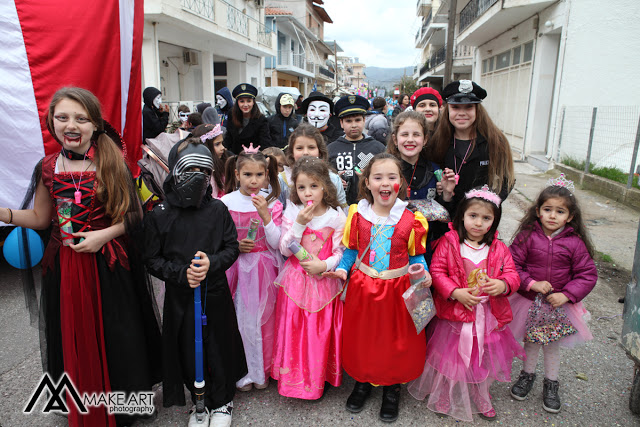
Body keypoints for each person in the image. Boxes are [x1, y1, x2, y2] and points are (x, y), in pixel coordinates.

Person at [0, 87, 161, 426]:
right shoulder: (46, 166)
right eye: (62, 117)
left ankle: (124, 404)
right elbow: (42, 219)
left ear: (94, 125)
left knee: (117, 333)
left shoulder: (110, 161)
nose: (70, 125)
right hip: (66, 268)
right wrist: (5, 213)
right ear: (51, 122)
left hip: (108, 266)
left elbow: (134, 216)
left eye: (80, 118)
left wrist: (102, 235)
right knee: (71, 334)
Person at [143, 138, 247, 427]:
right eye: (190, 170)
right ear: (175, 171)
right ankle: (198, 401)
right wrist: (181, 273)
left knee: (218, 345)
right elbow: (151, 259)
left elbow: (231, 247)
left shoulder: (217, 211)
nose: (197, 179)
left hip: (214, 292)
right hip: (180, 296)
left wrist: (211, 264)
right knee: (187, 348)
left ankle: (222, 400)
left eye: (204, 171)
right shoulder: (159, 216)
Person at [324, 153, 431, 423]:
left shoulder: (412, 219)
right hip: (363, 288)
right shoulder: (357, 214)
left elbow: (417, 257)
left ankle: (391, 388)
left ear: (401, 183)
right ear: (367, 183)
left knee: (395, 340)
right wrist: (342, 269)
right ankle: (363, 381)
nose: (385, 182)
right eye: (378, 177)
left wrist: (424, 275)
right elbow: (351, 251)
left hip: (398, 289)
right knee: (365, 337)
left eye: (392, 177)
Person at [408, 185, 524, 422]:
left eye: (486, 218)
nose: (478, 223)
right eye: (473, 216)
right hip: (457, 313)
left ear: (494, 221)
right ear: (462, 216)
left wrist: (503, 285)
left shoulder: (499, 248)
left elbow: (512, 274)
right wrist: (454, 292)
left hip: (488, 314)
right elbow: (438, 271)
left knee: (482, 358)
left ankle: (481, 393)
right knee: (451, 358)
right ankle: (445, 393)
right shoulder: (450, 242)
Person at [508, 175, 597, 414]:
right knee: (531, 342)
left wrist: (567, 295)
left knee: (551, 345)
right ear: (538, 211)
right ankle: (527, 375)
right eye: (548, 209)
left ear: (570, 217)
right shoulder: (526, 236)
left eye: (560, 212)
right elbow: (512, 265)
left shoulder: (575, 243)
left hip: (558, 305)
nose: (552, 216)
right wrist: (531, 283)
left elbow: (587, 275)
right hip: (529, 301)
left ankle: (551, 383)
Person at [272, 156, 346, 400]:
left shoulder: (337, 217)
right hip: (295, 281)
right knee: (294, 328)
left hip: (323, 281)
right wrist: (299, 225)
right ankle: (292, 378)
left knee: (317, 331)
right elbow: (284, 248)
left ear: (325, 186)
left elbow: (340, 252)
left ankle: (316, 379)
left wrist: (324, 264)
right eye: (301, 187)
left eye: (314, 186)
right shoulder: (292, 211)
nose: (307, 193)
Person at [221, 146, 282, 391]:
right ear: (236, 175)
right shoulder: (225, 203)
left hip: (265, 267)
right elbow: (218, 237)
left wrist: (266, 215)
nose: (253, 181)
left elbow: (276, 241)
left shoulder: (272, 203)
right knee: (239, 319)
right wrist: (235, 245)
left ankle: (262, 370)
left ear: (267, 175)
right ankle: (242, 371)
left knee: (264, 321)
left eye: (259, 175)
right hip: (235, 268)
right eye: (247, 175)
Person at [429, 80, 515, 219]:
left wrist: (488, 205)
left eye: (469, 107)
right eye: (456, 107)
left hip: (479, 224)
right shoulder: (437, 142)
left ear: (477, 110)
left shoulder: (496, 142)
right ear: (448, 110)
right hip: (445, 220)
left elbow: (507, 180)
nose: (462, 113)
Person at [386, 111, 449, 258]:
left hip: (427, 247)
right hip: (391, 245)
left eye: (416, 135)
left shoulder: (436, 171)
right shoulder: (384, 170)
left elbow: (443, 216)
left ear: (425, 139)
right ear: (395, 139)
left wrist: (446, 194)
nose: (410, 140)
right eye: (404, 135)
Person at [327, 95, 385, 205]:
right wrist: (334, 182)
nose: (354, 125)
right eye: (348, 121)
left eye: (357, 120)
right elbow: (323, 179)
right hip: (340, 208)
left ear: (364, 120)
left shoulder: (378, 148)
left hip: (372, 206)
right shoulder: (331, 149)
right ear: (341, 123)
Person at [278, 123, 347, 210]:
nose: (305, 152)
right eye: (299, 148)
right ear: (292, 152)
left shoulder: (333, 178)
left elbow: (342, 210)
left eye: (311, 147)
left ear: (320, 151)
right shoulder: (282, 180)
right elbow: (277, 213)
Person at [223, 84, 272, 154]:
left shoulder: (261, 120)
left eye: (249, 101)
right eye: (242, 101)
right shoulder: (232, 115)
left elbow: (265, 144)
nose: (245, 105)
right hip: (234, 158)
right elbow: (228, 138)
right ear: (237, 103)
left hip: (252, 159)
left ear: (253, 102)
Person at [192, 124, 227, 198]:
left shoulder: (220, 164)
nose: (223, 147)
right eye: (217, 144)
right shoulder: (204, 172)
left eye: (222, 143)